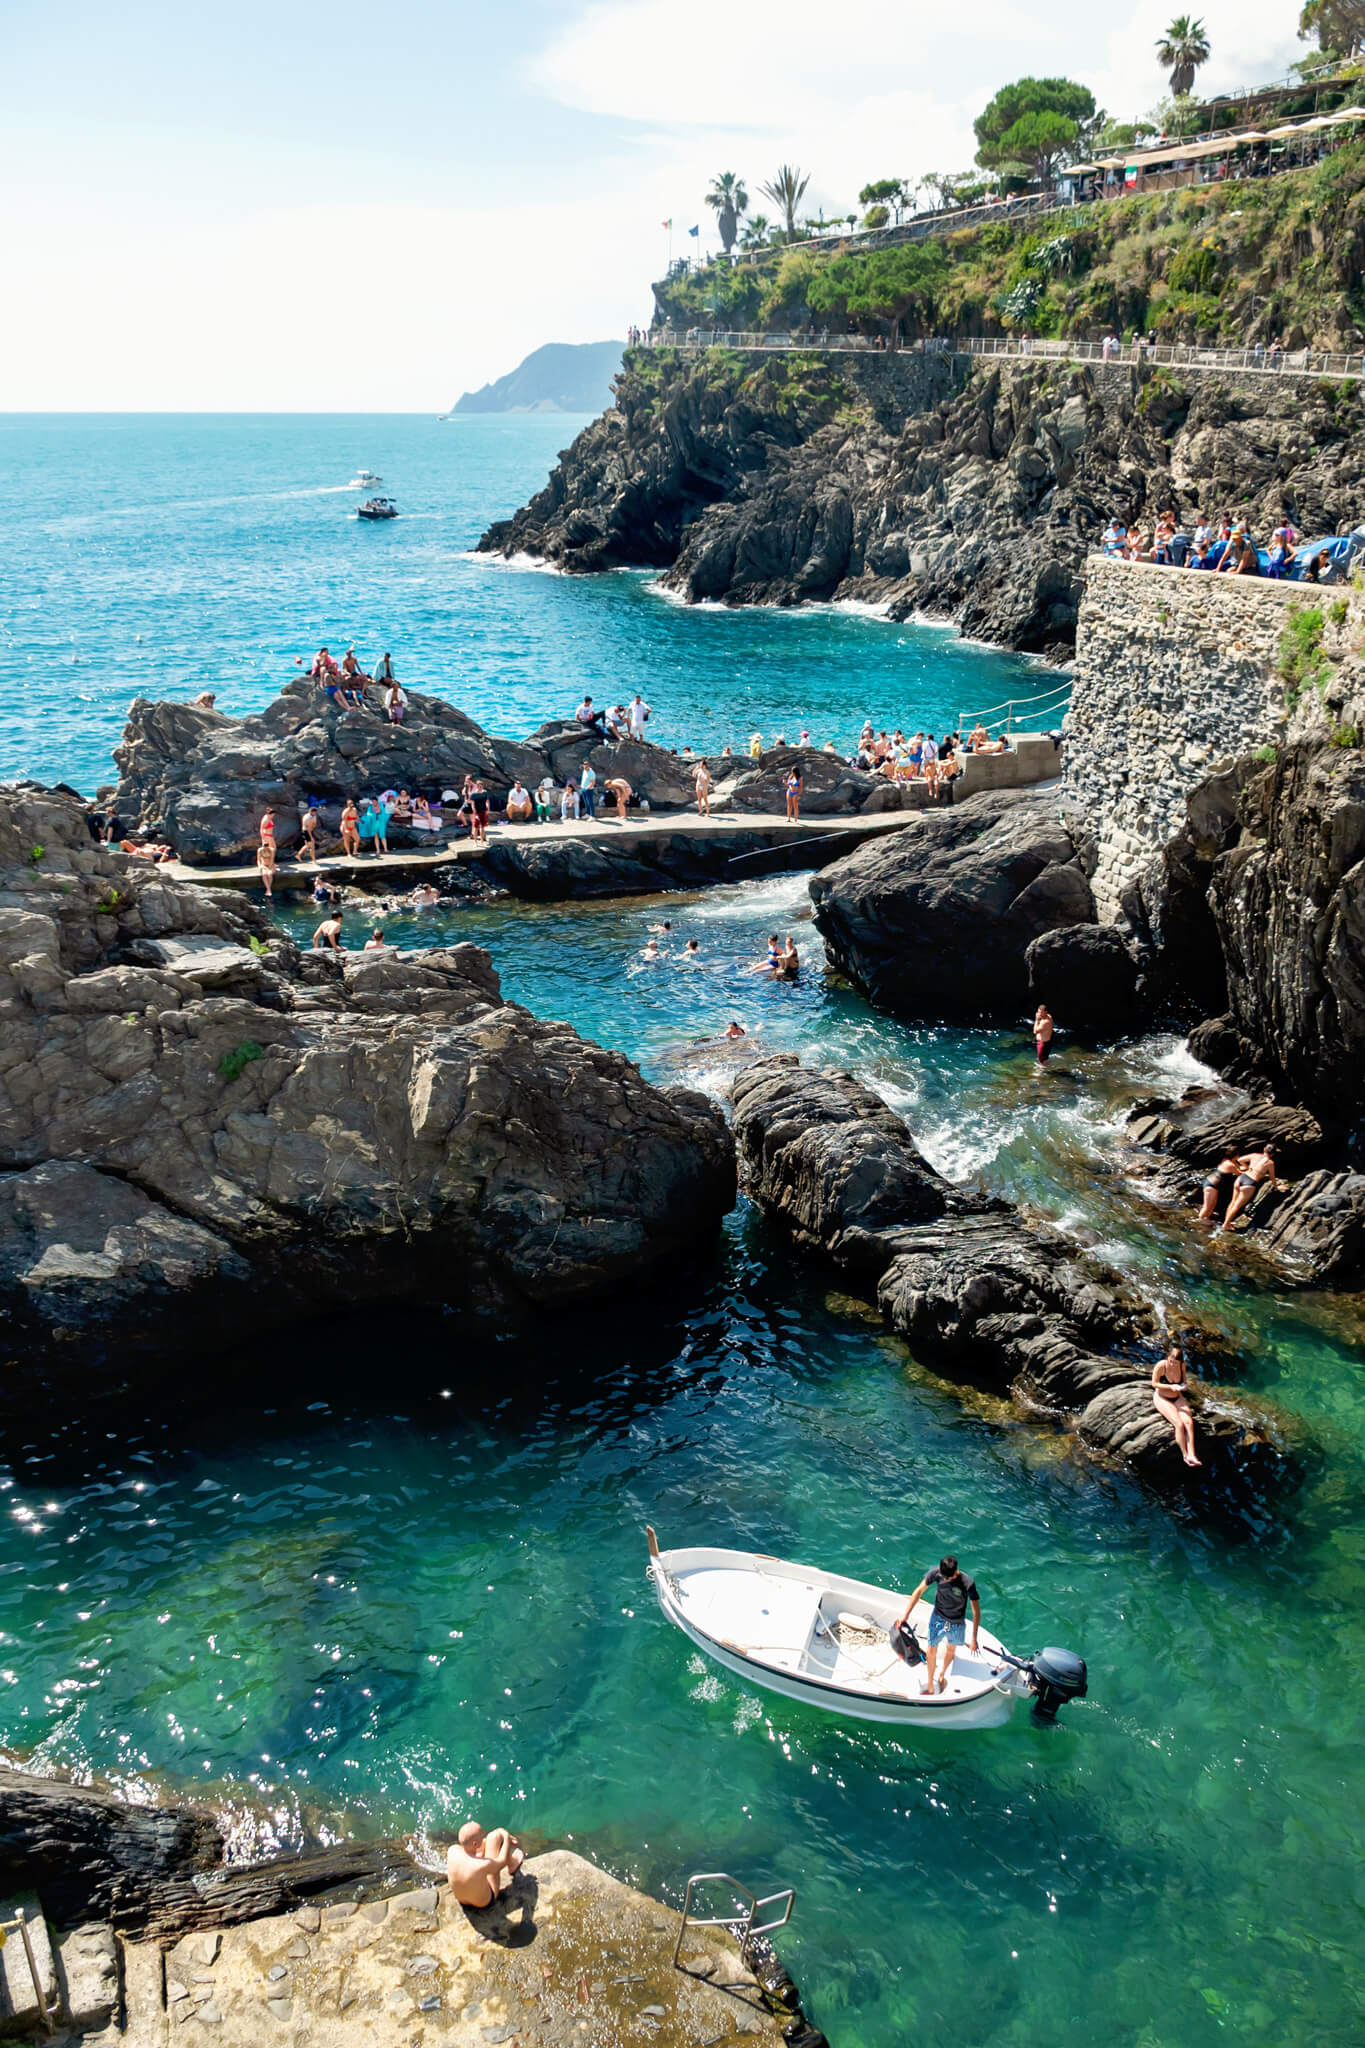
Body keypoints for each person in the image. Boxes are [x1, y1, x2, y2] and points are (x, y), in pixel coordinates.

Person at [897, 1555, 980, 1697]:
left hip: (956, 1623)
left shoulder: (967, 1583)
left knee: (951, 1650)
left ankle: (942, 1674)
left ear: (955, 1572)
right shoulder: (936, 1573)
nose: (945, 1580)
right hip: (938, 1618)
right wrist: (906, 1615)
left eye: (948, 1578)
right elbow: (918, 1591)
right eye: (944, 1577)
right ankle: (930, 1684)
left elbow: (976, 1612)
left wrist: (973, 1638)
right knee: (931, 1650)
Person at [446, 1821, 524, 1910]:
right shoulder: (482, 1865)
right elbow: (501, 1861)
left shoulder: (452, 1850)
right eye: (482, 1835)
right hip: (484, 1903)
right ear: (475, 1844)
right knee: (495, 1837)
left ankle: (492, 1843)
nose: (484, 1835)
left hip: (462, 1901)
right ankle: (513, 1864)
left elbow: (472, 1849)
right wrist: (505, 1836)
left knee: (490, 1840)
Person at [1152, 1344, 1201, 1467]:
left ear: (1180, 1362)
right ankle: (1185, 1456)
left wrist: (1184, 1386)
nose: (1172, 1364)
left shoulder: (1182, 1366)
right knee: (1179, 1424)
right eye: (1170, 1361)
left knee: (1189, 1423)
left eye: (1175, 1362)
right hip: (1162, 1397)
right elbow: (1154, 1383)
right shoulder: (1161, 1366)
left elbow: (1184, 1380)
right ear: (1167, 1358)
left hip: (1178, 1397)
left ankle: (1192, 1455)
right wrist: (1170, 1386)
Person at [1220, 1144, 1279, 1230]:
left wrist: (1248, 1168)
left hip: (1241, 1178)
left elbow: (1240, 1160)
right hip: (1249, 1183)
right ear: (1273, 1154)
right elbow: (1272, 1178)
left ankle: (1227, 1222)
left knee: (1233, 1202)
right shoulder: (1270, 1163)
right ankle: (1225, 1225)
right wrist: (1277, 1187)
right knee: (1237, 1205)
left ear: (1264, 1149)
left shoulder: (1254, 1155)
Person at [1199, 1155, 1240, 1223]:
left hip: (1211, 1181)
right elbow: (1240, 1174)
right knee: (1207, 1207)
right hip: (1211, 1185)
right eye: (1238, 1156)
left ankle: (1206, 1217)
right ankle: (1200, 1220)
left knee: (1213, 1204)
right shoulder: (1231, 1164)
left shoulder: (1225, 1160)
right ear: (1235, 1156)